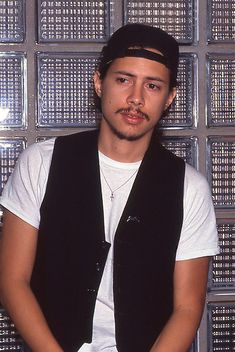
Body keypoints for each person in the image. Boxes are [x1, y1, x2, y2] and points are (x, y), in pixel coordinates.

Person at [0, 24, 219, 352]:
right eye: (123, 80)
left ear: (169, 97)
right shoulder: (40, 163)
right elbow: (12, 281)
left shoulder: (190, 188)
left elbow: (187, 307)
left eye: (153, 86)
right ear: (99, 82)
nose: (135, 98)